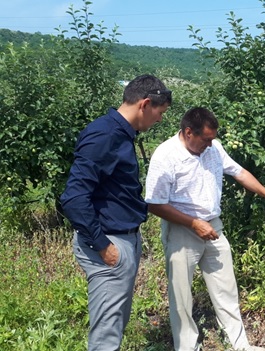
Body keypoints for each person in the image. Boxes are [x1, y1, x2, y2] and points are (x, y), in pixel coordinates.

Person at [144, 107, 265, 351]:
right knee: (181, 295)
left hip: (214, 227)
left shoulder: (214, 148)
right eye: (206, 139)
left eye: (213, 139)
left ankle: (240, 345)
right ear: (189, 132)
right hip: (182, 230)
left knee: (226, 289)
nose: (211, 145)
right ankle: (187, 346)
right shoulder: (165, 156)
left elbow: (239, 172)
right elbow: (154, 204)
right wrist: (193, 223)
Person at [60, 74, 172, 350]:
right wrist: (103, 246)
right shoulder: (105, 135)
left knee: (114, 326)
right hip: (109, 243)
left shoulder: (121, 134)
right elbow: (73, 198)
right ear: (145, 104)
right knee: (106, 338)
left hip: (122, 239)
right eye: (160, 113)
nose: (160, 120)